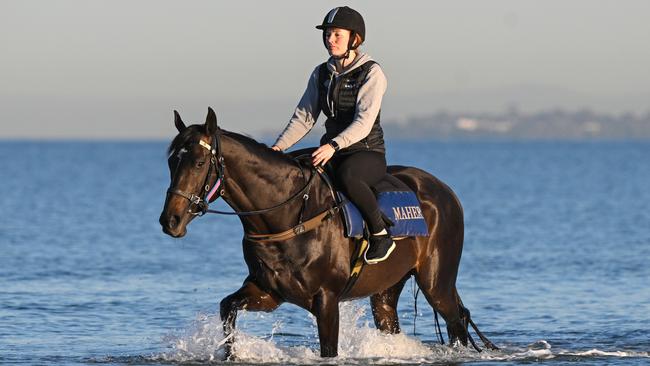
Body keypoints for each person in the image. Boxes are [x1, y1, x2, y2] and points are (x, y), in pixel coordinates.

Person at [271, 6, 394, 264]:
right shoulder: (321, 73)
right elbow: (304, 117)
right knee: (290, 170)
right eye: (327, 34)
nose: (330, 40)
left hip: (366, 152)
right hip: (332, 150)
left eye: (337, 34)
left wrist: (334, 146)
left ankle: (381, 234)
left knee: (348, 177)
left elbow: (363, 122)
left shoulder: (372, 73)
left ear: (354, 39)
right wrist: (277, 149)